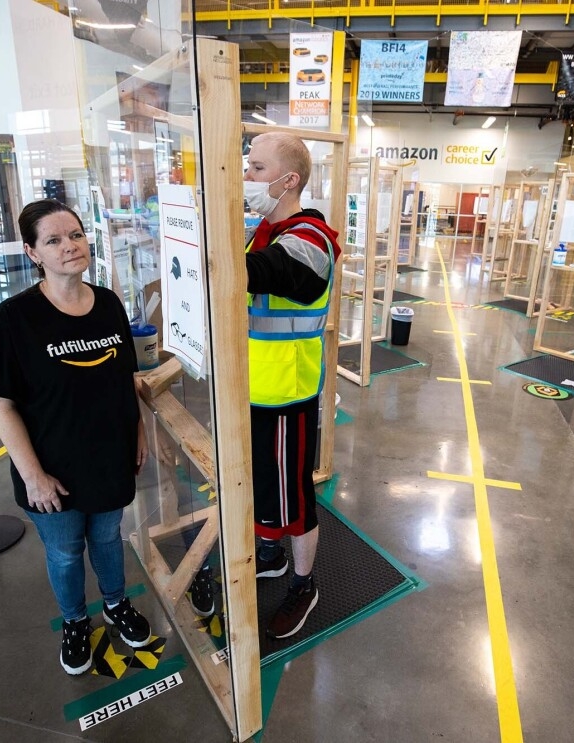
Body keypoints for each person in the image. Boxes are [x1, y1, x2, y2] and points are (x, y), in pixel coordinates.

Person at [0, 199, 153, 675]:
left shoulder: (110, 303)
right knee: (66, 548)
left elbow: (124, 377)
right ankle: (76, 620)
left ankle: (115, 604)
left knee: (110, 537)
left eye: (74, 234)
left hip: (110, 456)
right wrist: (33, 476)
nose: (69, 246)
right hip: (52, 466)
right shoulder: (13, 320)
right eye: (53, 240)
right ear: (33, 253)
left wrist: (136, 428)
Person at [222, 132, 341, 639]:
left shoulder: (310, 238)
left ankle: (303, 585)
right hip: (251, 390)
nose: (246, 178)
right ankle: (269, 555)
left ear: (288, 180)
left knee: (295, 497)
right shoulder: (260, 231)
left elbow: (268, 274)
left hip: (287, 394)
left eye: (255, 169)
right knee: (262, 487)